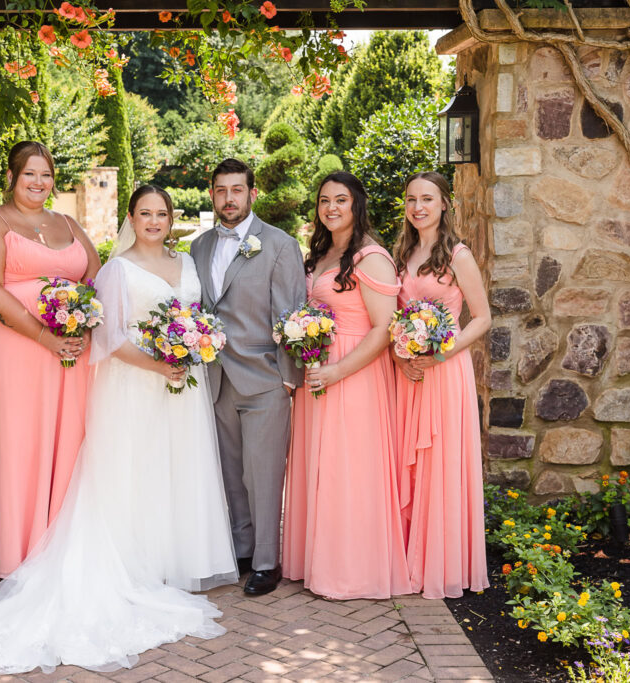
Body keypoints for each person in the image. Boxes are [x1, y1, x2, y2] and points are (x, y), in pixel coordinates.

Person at [0, 185, 237, 674]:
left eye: (161, 213)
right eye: (144, 212)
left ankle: (173, 560)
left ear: (172, 219)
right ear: (131, 217)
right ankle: (132, 562)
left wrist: (192, 347)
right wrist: (157, 363)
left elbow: (194, 318)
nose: (153, 220)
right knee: (128, 468)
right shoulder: (119, 269)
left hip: (181, 388)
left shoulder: (188, 264)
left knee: (176, 468)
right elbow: (109, 334)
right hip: (135, 384)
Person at [0, 141, 101, 578]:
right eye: (29, 175)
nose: (39, 183)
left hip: (70, 358)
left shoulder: (68, 223)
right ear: (12, 177)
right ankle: (17, 551)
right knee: (20, 440)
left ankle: (63, 543)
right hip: (17, 356)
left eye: (46, 175)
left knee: (69, 441)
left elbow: (95, 275)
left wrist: (84, 321)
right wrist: (44, 335)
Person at [282, 172, 412, 600]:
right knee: (320, 466)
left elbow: (383, 329)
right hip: (317, 373)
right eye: (324, 201)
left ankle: (351, 571)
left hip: (354, 375)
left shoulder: (370, 257)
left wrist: (337, 371)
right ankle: (316, 560)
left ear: (356, 204)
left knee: (348, 469)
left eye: (340, 200)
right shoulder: (320, 252)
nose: (331, 208)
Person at [190, 158, 306, 596]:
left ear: (252, 194)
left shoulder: (278, 245)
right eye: (221, 190)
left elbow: (291, 313)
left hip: (264, 379)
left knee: (264, 473)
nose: (229, 198)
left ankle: (266, 561)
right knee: (230, 471)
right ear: (212, 194)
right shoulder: (199, 247)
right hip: (215, 378)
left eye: (237, 190)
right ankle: (240, 550)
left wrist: (288, 379)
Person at [393, 171, 490, 599]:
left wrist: (440, 354)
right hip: (409, 372)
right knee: (407, 463)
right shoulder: (401, 252)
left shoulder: (458, 255)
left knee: (441, 464)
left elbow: (483, 318)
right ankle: (407, 557)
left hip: (445, 371)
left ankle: (440, 564)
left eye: (427, 199)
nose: (418, 207)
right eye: (412, 199)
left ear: (444, 204)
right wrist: (401, 355)